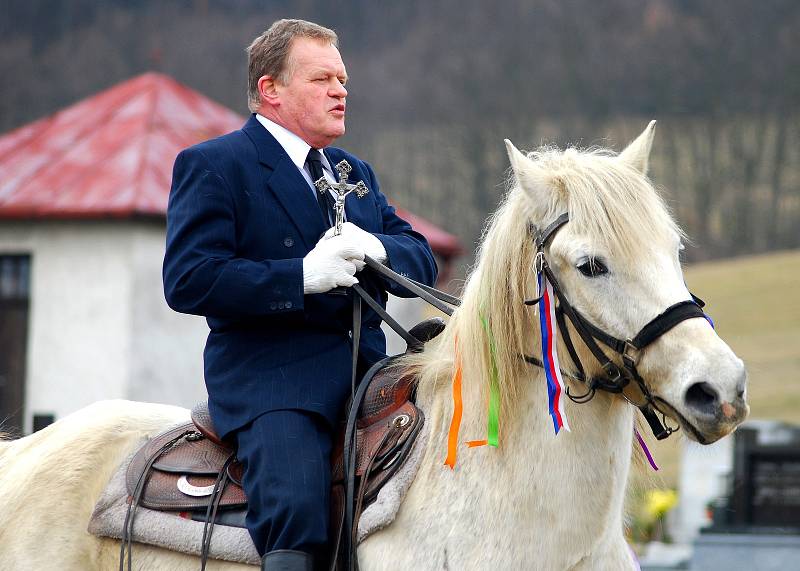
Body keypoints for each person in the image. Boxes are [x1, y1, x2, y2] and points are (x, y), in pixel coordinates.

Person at [162, 18, 437, 571]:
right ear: (271, 89)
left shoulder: (352, 171)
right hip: (275, 381)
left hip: (371, 375)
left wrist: (378, 249)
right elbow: (188, 279)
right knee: (296, 506)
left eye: (343, 81)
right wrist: (300, 277)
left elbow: (422, 256)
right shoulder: (215, 164)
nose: (340, 91)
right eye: (322, 80)